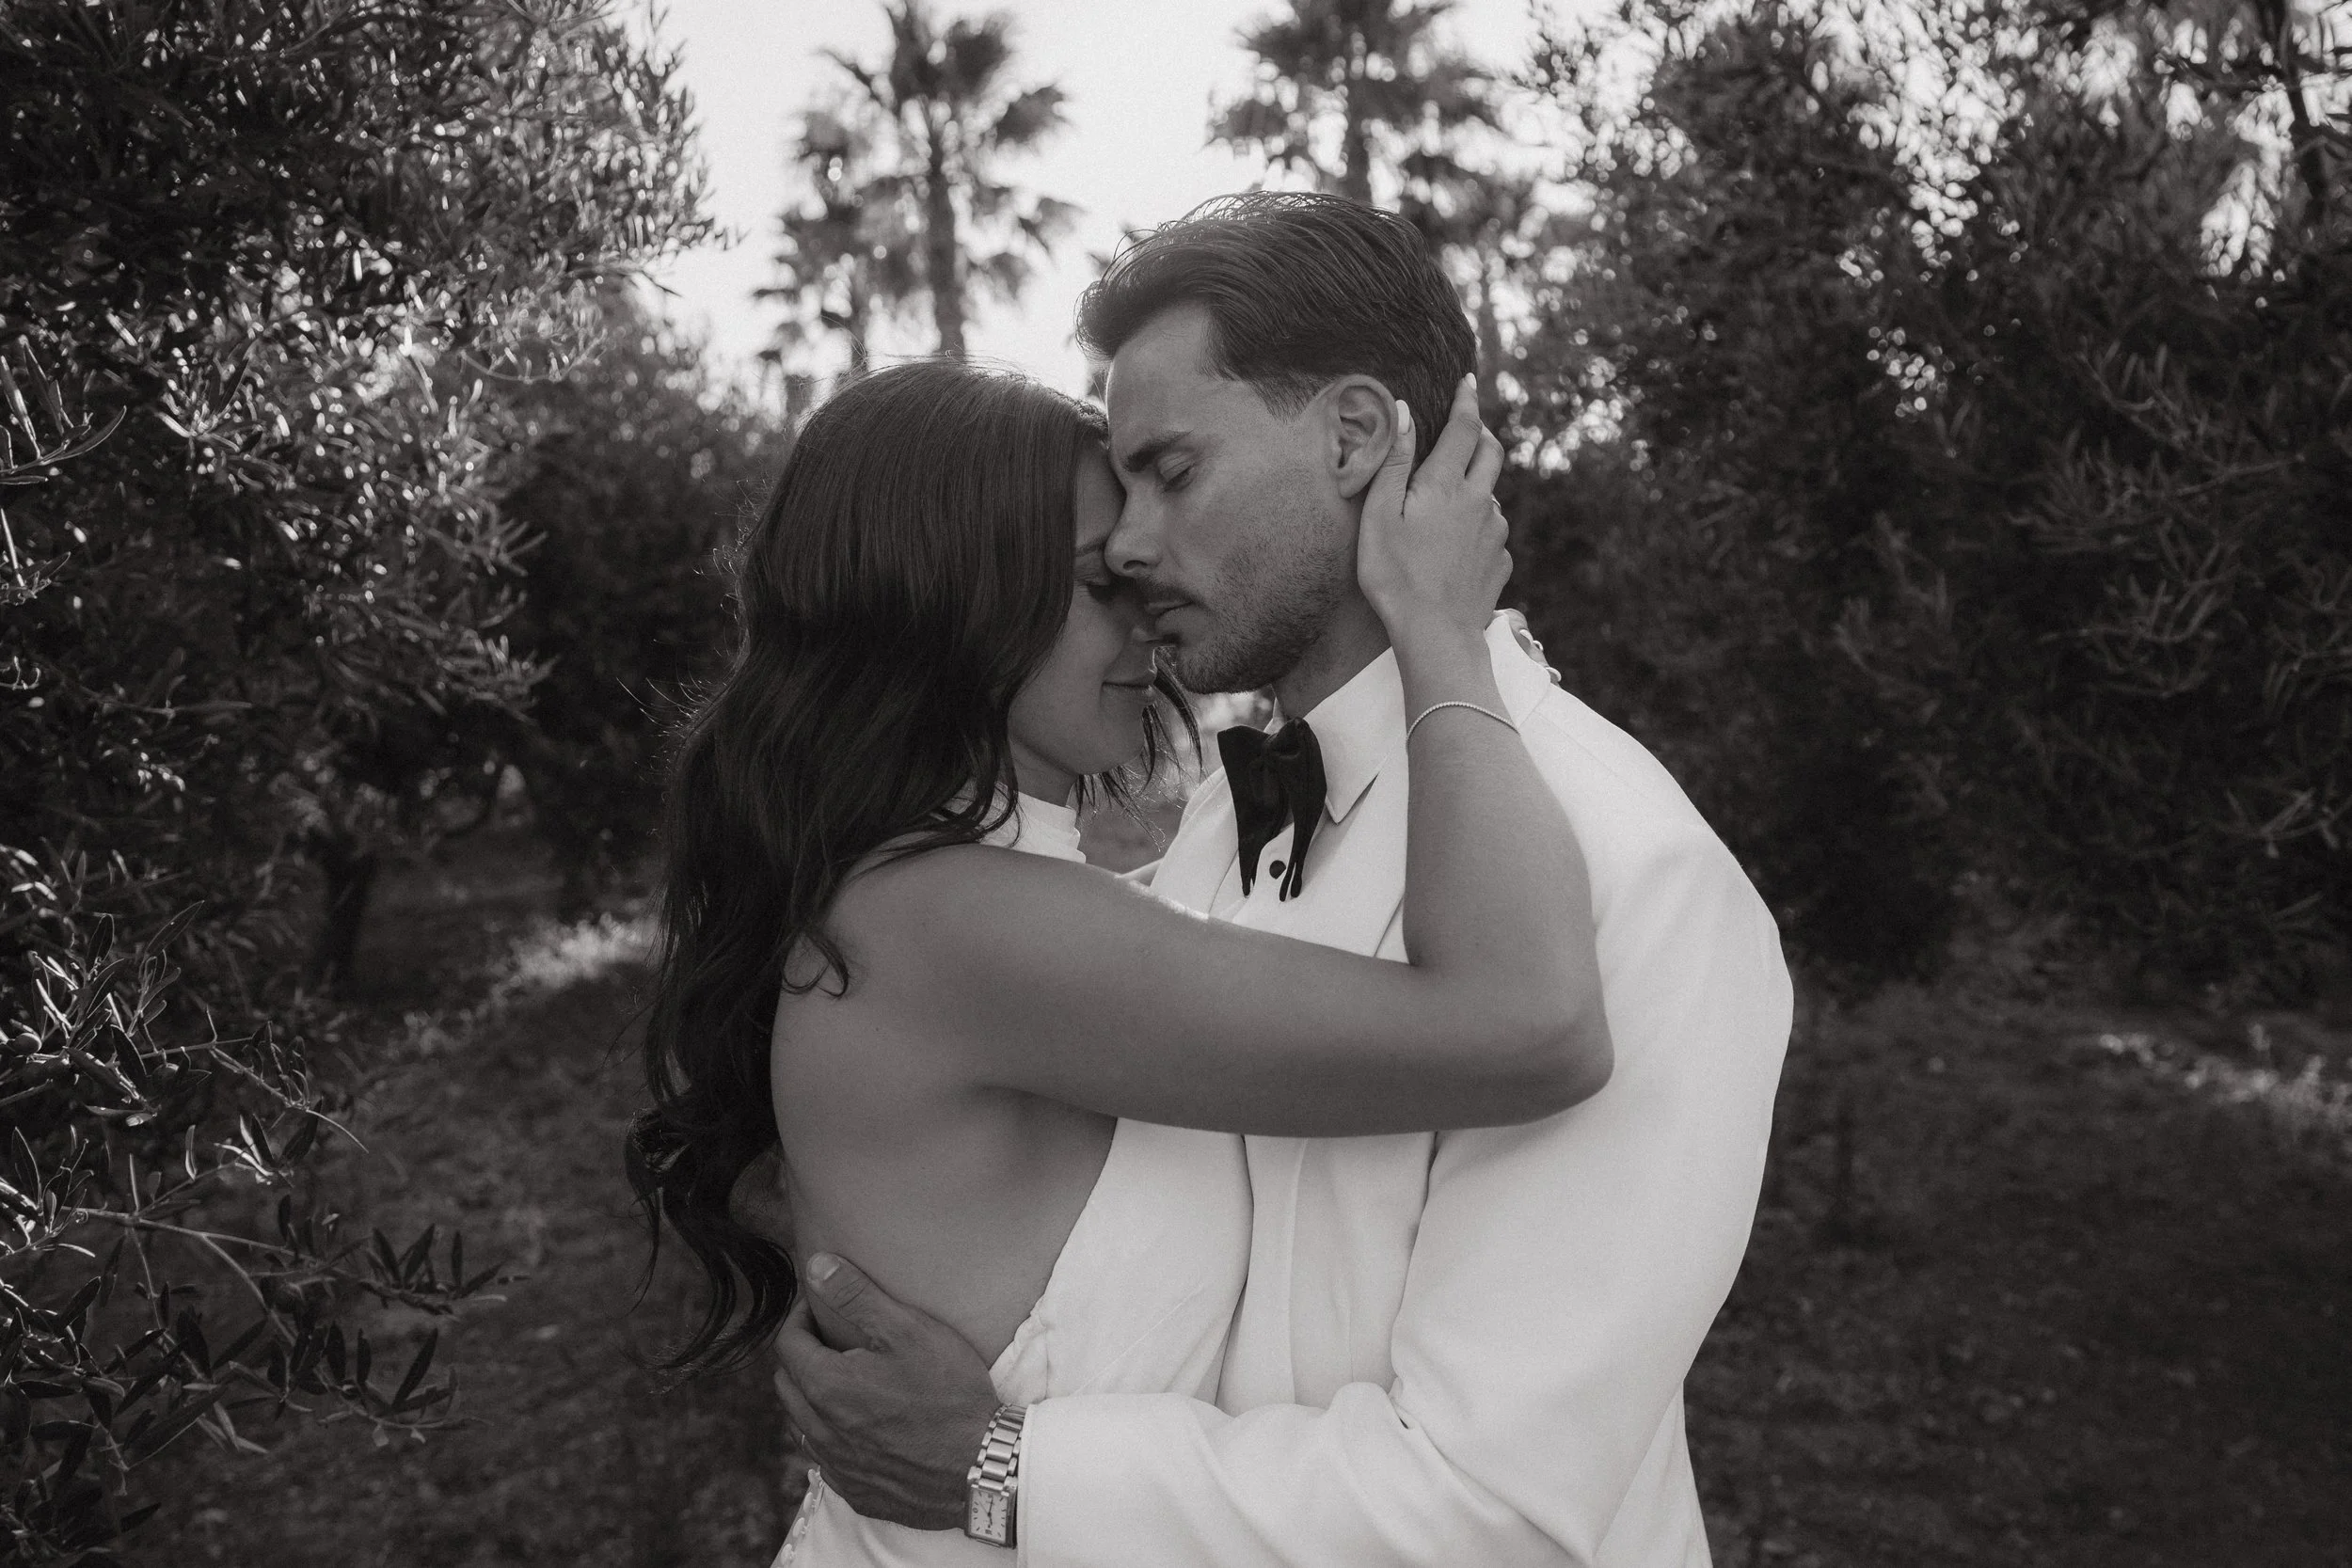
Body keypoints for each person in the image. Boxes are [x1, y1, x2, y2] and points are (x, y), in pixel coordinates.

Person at [767, 193, 1794, 1567]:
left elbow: (1490, 1512)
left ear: (1356, 437)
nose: (1130, 545)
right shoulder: (1213, 829)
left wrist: (1003, 1468)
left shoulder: (1632, 873)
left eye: (1171, 471)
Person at [625, 352, 1616, 1566]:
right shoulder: (963, 923)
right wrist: (1442, 633)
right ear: (952, 601)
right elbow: (1534, 1029)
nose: (1153, 609)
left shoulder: (938, 900)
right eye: (1104, 580)